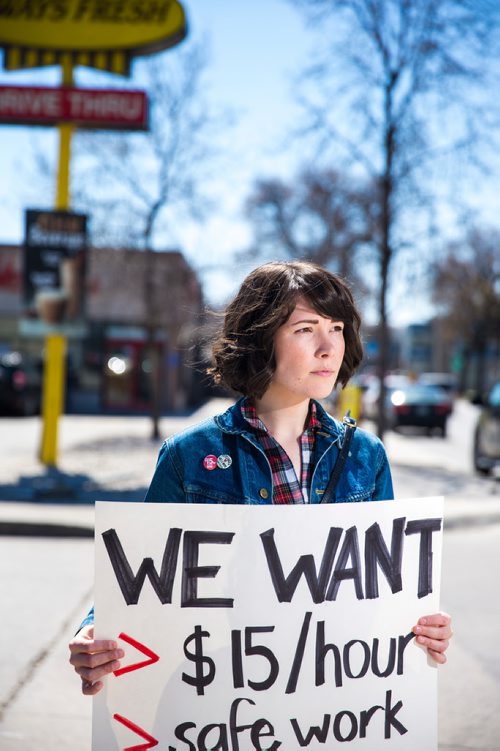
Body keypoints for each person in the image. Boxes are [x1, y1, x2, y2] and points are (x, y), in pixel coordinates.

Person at [69, 260, 452, 695]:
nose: (328, 346)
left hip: (332, 713)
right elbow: (138, 581)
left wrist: (424, 628)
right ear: (260, 337)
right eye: (306, 329)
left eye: (338, 328)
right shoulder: (190, 458)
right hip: (219, 706)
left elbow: (385, 597)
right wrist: (94, 632)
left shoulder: (367, 458)